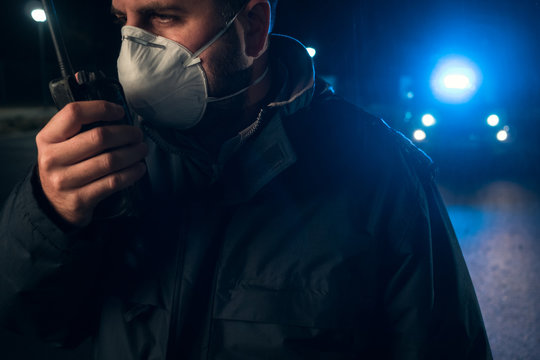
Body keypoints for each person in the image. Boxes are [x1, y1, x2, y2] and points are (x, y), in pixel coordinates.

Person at [0, 0, 492, 359]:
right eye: (123, 20)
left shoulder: (383, 172)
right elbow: (38, 324)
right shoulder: (105, 151)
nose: (133, 47)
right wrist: (49, 213)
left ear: (253, 27)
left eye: (162, 17)